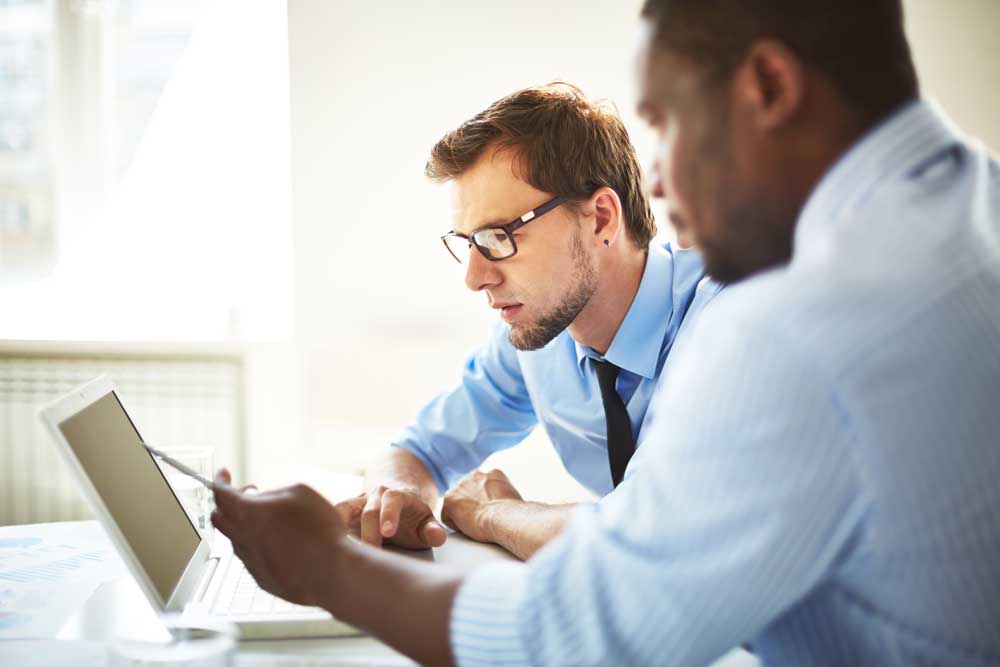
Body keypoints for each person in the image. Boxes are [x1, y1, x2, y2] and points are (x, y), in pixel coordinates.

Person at [211, 1, 1000, 665]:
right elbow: (426, 446)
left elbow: (582, 631)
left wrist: (325, 564)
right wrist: (400, 497)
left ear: (768, 85)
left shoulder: (789, 321)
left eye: (669, 122)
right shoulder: (973, 209)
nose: (655, 179)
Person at [334, 83, 718, 560]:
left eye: (498, 237)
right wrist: (391, 498)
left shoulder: (724, 324)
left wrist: (489, 514)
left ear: (600, 218)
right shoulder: (542, 334)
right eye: (469, 243)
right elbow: (418, 451)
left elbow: (645, 532)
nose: (474, 278)